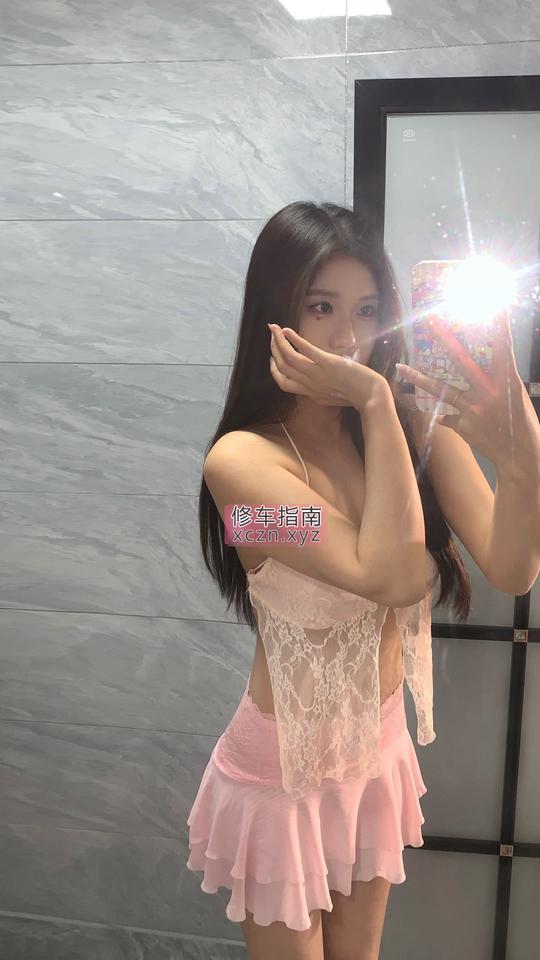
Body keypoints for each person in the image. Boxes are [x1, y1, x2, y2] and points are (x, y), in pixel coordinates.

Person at [187, 201, 473, 960]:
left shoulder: (394, 435)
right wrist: (375, 399)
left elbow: (514, 563)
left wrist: (511, 428)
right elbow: (390, 576)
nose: (347, 338)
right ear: (275, 314)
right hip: (281, 773)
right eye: (321, 307)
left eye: (367, 310)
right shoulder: (239, 471)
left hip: (375, 748)